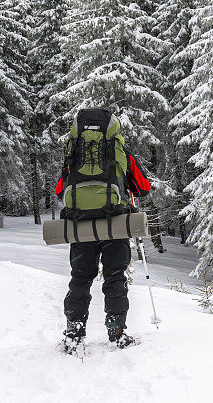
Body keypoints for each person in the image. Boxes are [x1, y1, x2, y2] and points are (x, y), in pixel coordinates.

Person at [55, 108, 151, 351]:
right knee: (115, 277)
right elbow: (143, 187)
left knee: (80, 278)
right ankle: (117, 332)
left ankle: (74, 334)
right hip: (114, 224)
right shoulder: (120, 152)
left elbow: (59, 190)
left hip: (81, 225)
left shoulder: (74, 151)